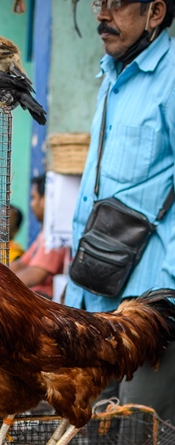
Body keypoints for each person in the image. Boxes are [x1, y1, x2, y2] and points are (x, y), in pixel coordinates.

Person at [65, 0, 175, 423]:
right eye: (98, 2)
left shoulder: (168, 79)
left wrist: (163, 304)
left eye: (117, 3)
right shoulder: (111, 75)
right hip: (95, 297)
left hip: (147, 310)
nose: (102, 14)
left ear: (156, 12)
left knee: (140, 444)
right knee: (95, 432)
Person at [10, 174, 66, 299]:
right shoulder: (44, 232)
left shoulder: (55, 235)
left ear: (46, 199)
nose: (31, 204)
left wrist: (0, 286)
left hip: (44, 300)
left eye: (34, 198)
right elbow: (21, 263)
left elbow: (35, 274)